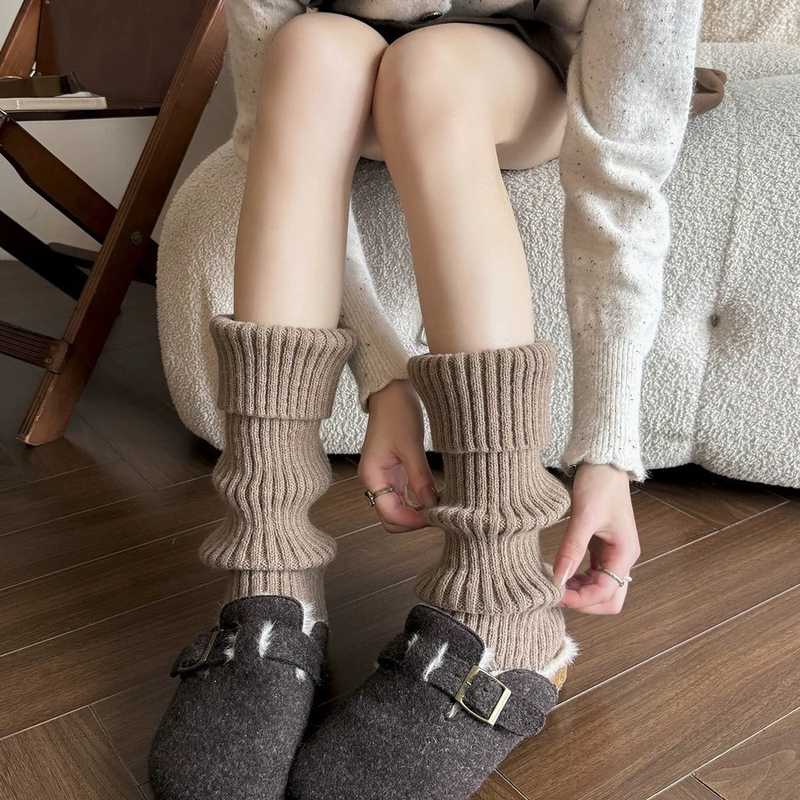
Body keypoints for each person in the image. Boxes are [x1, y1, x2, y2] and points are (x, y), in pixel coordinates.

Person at [149, 2, 717, 799]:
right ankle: (271, 567)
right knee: (308, 49)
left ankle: (503, 601)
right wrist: (385, 376)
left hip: (528, 71)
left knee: (430, 67)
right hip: (342, 66)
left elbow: (621, 180)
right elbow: (264, 132)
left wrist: (607, 449)